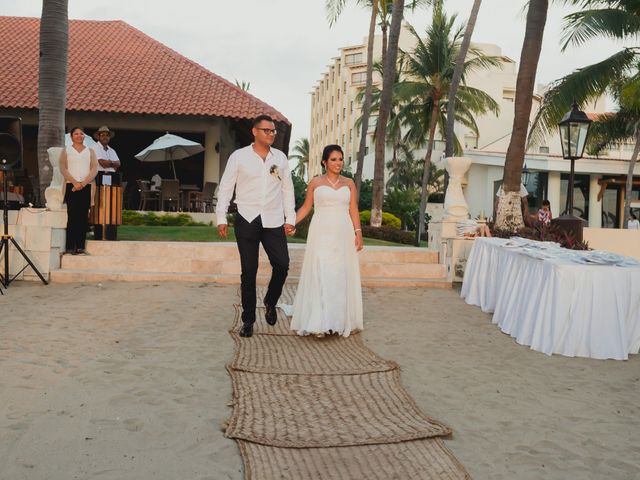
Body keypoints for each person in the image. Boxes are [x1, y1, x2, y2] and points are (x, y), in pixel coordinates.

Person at [216, 115, 296, 338]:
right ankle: (248, 320)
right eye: (266, 130)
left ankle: (270, 301)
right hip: (247, 217)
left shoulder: (280, 158)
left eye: (273, 131)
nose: (271, 134)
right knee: (248, 272)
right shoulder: (239, 157)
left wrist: (291, 219)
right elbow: (225, 187)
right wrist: (221, 217)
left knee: (282, 264)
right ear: (254, 131)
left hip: (273, 219)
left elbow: (287, 189)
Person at [290, 144, 364, 337]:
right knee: (321, 271)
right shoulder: (315, 182)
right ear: (324, 162)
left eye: (340, 159)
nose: (338, 163)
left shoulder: (349, 183)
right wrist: (290, 223)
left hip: (343, 232)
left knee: (339, 275)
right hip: (321, 231)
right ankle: (319, 322)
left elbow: (353, 209)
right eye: (333, 159)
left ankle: (336, 322)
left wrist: (358, 232)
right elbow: (306, 207)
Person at [59, 127, 98, 255]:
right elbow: (63, 168)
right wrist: (75, 183)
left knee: (82, 217)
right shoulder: (66, 151)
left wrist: (83, 183)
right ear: (71, 136)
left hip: (85, 187)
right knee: (72, 216)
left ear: (84, 136)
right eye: (76, 133)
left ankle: (80, 246)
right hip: (71, 187)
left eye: (81, 133)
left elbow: (94, 169)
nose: (79, 135)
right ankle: (70, 247)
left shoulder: (90, 151)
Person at [92, 125, 121, 240]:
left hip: (112, 181)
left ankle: (110, 234)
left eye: (107, 135)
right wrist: (110, 163)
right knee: (100, 205)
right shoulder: (94, 148)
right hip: (98, 179)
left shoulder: (112, 150)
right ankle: (100, 234)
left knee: (111, 205)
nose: (105, 137)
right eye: (102, 135)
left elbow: (118, 164)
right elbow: (102, 164)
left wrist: (109, 163)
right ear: (98, 137)